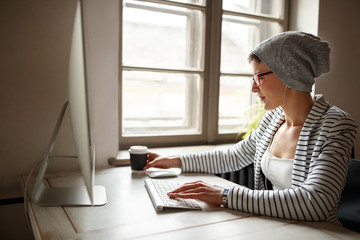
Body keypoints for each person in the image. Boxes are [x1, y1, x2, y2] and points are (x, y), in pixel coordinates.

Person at [144, 31, 357, 224]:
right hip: (274, 226)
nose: (253, 88)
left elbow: (316, 203)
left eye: (259, 77)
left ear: (288, 74)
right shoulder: (274, 119)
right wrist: (174, 161)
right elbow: (235, 156)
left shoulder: (336, 126)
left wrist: (224, 196)